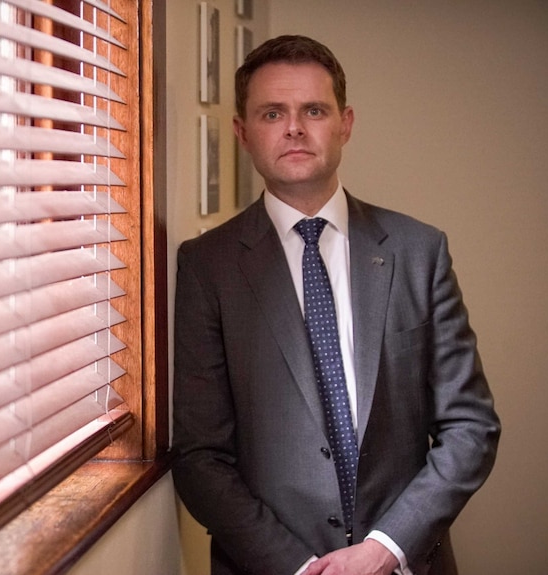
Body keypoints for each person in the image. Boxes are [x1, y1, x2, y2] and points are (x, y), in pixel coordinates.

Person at [172, 35, 500, 575]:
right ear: (242, 132)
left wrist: (384, 549)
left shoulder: (419, 251)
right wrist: (300, 568)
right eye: (272, 112)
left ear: (345, 123)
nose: (294, 127)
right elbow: (200, 457)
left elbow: (471, 426)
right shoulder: (208, 266)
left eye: (314, 110)